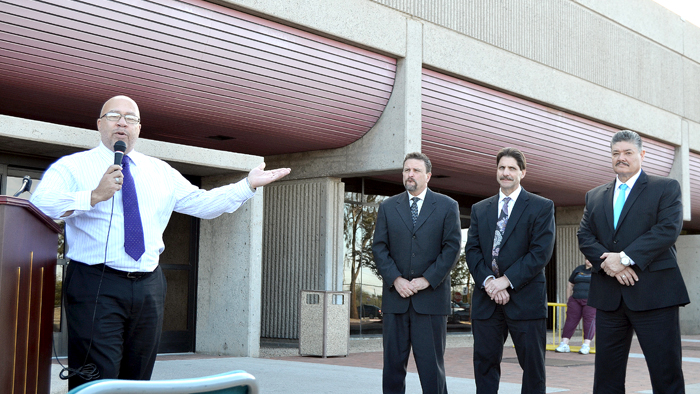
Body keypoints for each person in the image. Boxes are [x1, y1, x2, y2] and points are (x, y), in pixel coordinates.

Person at [30, 95, 290, 389]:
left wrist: (247, 185)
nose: (122, 122)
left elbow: (201, 204)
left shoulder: (160, 171)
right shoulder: (73, 167)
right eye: (114, 115)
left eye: (131, 118)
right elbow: (41, 204)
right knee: (97, 378)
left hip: (149, 287)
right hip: (95, 284)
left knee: (138, 378)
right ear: (100, 124)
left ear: (139, 128)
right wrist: (93, 195)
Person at [577, 130, 689, 393]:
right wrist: (611, 265)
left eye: (628, 152)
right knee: (606, 376)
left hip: (655, 294)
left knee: (665, 373)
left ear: (642, 154)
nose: (621, 158)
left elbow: (667, 230)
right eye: (616, 153)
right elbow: (584, 235)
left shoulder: (666, 188)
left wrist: (624, 259)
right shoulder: (594, 195)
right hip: (609, 297)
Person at [464, 147, 555, 394]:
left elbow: (540, 253)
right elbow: (471, 251)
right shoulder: (480, 209)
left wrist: (506, 281)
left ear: (522, 173)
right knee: (484, 364)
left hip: (525, 299)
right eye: (502, 168)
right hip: (487, 299)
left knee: (533, 368)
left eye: (512, 168)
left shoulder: (541, 207)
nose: (506, 173)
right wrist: (490, 282)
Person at [372, 152, 461, 394]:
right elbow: (379, 247)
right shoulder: (388, 207)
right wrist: (395, 279)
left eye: (416, 170)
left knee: (432, 370)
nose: (410, 174)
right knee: (392, 369)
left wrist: (426, 280)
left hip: (430, 302)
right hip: (395, 301)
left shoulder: (447, 206)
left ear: (428, 176)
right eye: (406, 170)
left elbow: (451, 248)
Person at [555, 259, 595, 355]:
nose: (589, 260)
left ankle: (586, 345)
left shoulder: (597, 270)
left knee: (588, 321)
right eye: (587, 258)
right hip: (575, 300)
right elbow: (570, 284)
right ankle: (564, 344)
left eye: (590, 258)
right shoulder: (578, 269)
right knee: (570, 321)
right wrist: (569, 299)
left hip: (590, 301)